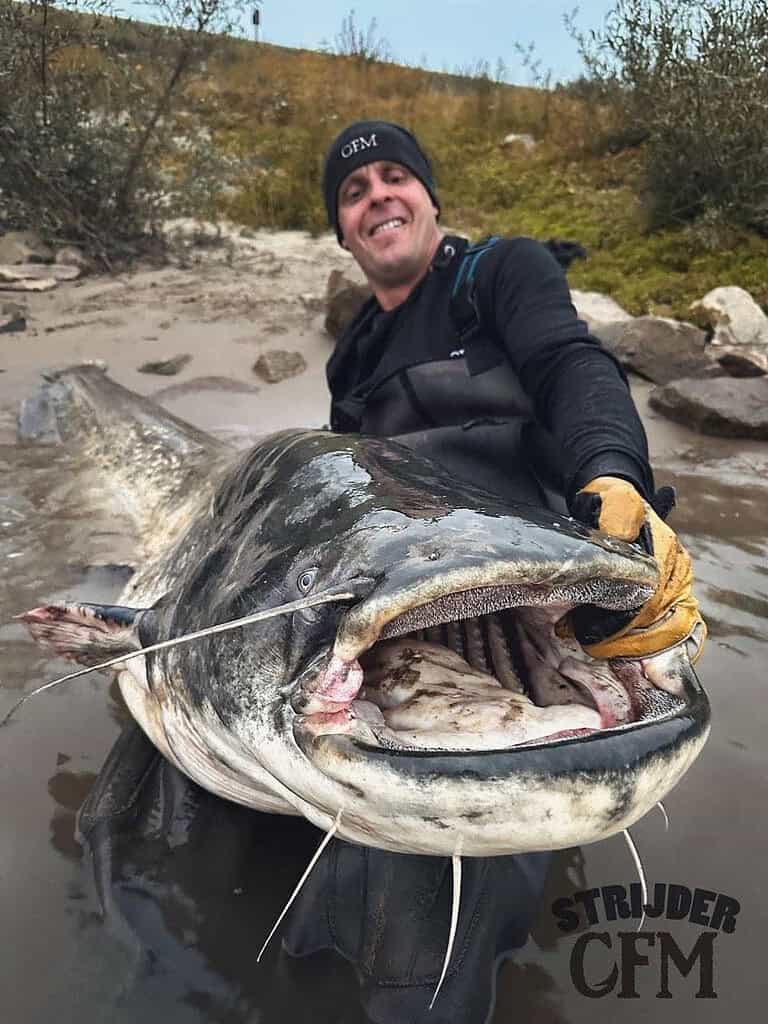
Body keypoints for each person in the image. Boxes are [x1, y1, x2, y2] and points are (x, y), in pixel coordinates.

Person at [322, 119, 705, 661]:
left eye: (395, 176)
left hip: (547, 579)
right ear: (342, 230)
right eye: (353, 193)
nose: (378, 195)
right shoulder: (350, 355)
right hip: (415, 591)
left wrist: (612, 473)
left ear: (430, 200)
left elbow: (570, 362)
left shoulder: (501, 271)